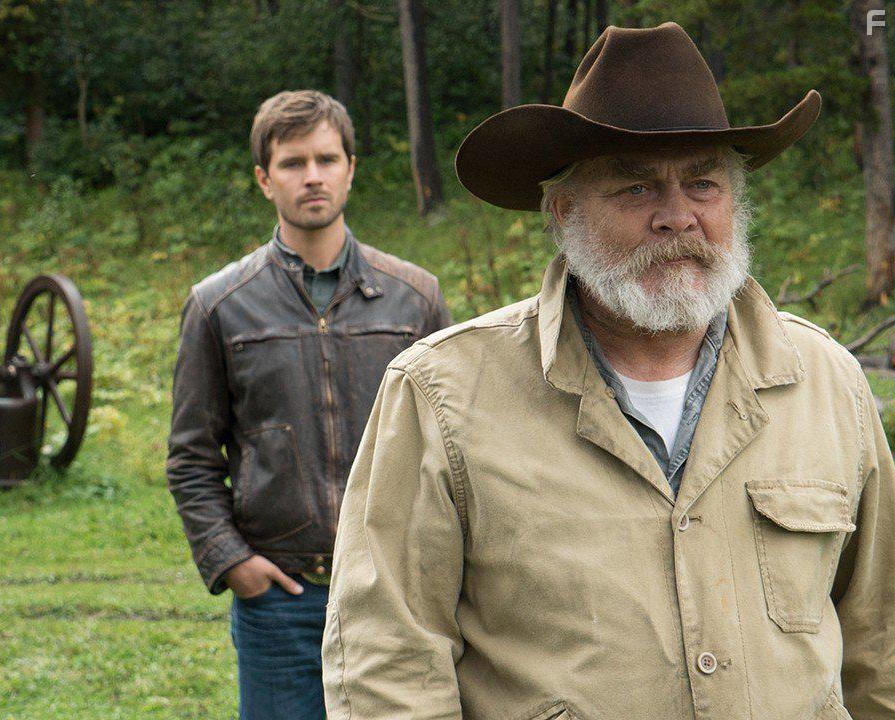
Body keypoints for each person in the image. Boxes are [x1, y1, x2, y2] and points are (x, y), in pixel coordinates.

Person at [323, 22, 895, 719]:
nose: (677, 217)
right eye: (636, 189)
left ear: (734, 202)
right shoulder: (442, 396)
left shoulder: (827, 383)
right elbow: (389, 667)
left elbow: (881, 646)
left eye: (703, 184)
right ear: (564, 212)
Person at [166, 90, 450, 720]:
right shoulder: (220, 305)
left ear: (351, 168)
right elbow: (190, 456)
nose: (312, 176)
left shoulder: (415, 299)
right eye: (293, 163)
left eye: (326, 159)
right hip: (281, 600)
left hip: (396, 592)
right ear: (265, 179)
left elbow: (456, 442)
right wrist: (232, 561)